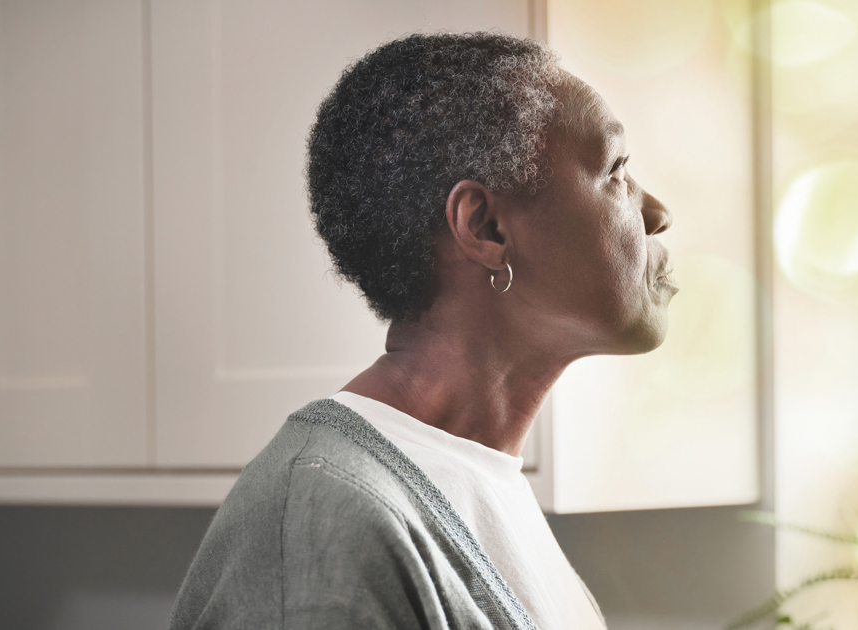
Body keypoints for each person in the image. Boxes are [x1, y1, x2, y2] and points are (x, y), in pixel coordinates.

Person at [170, 31, 677, 630]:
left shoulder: (480, 479)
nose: (657, 213)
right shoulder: (324, 521)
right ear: (486, 227)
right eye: (616, 169)